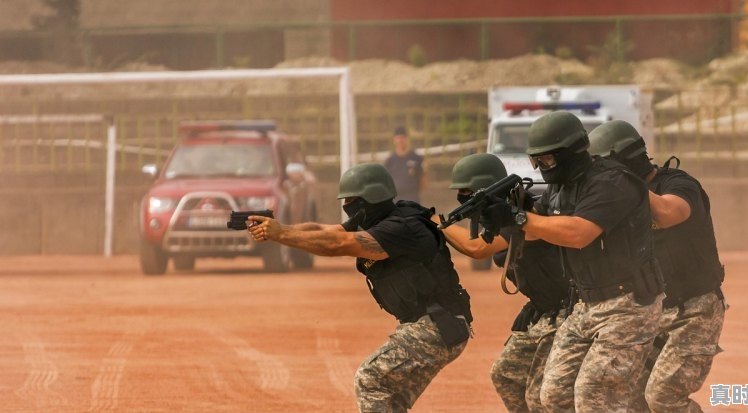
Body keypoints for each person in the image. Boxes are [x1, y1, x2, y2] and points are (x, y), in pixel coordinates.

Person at [248, 163, 472, 413]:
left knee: (370, 379)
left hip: (438, 325)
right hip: (431, 323)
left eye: (352, 200)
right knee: (389, 396)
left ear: (371, 198)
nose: (348, 206)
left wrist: (282, 236)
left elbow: (338, 244)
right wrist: (279, 229)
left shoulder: (400, 228)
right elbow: (325, 230)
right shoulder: (379, 217)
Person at [479, 111, 665, 412]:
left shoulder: (611, 182)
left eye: (548, 160)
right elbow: (539, 228)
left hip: (630, 304)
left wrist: (518, 218)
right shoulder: (560, 187)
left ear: (573, 152)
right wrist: (501, 218)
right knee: (554, 395)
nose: (542, 168)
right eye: (535, 161)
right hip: (586, 304)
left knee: (594, 394)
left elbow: (579, 232)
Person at [588, 120, 726, 413]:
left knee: (664, 397)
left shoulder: (677, 183)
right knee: (630, 396)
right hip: (650, 311)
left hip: (695, 309)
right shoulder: (618, 199)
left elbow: (668, 213)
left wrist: (626, 185)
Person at [438, 153, 570, 412]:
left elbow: (476, 248)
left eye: (467, 192)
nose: (462, 198)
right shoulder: (497, 218)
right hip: (544, 310)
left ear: (484, 188)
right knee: (506, 374)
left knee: (541, 395)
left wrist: (436, 225)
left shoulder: (519, 214)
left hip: (568, 312)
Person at [384, 126, 427, 203]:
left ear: (407, 139)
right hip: (396, 201)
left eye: (403, 138)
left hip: (413, 200)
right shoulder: (390, 161)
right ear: (394, 140)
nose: (400, 141)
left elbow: (423, 180)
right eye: (398, 138)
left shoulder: (417, 158)